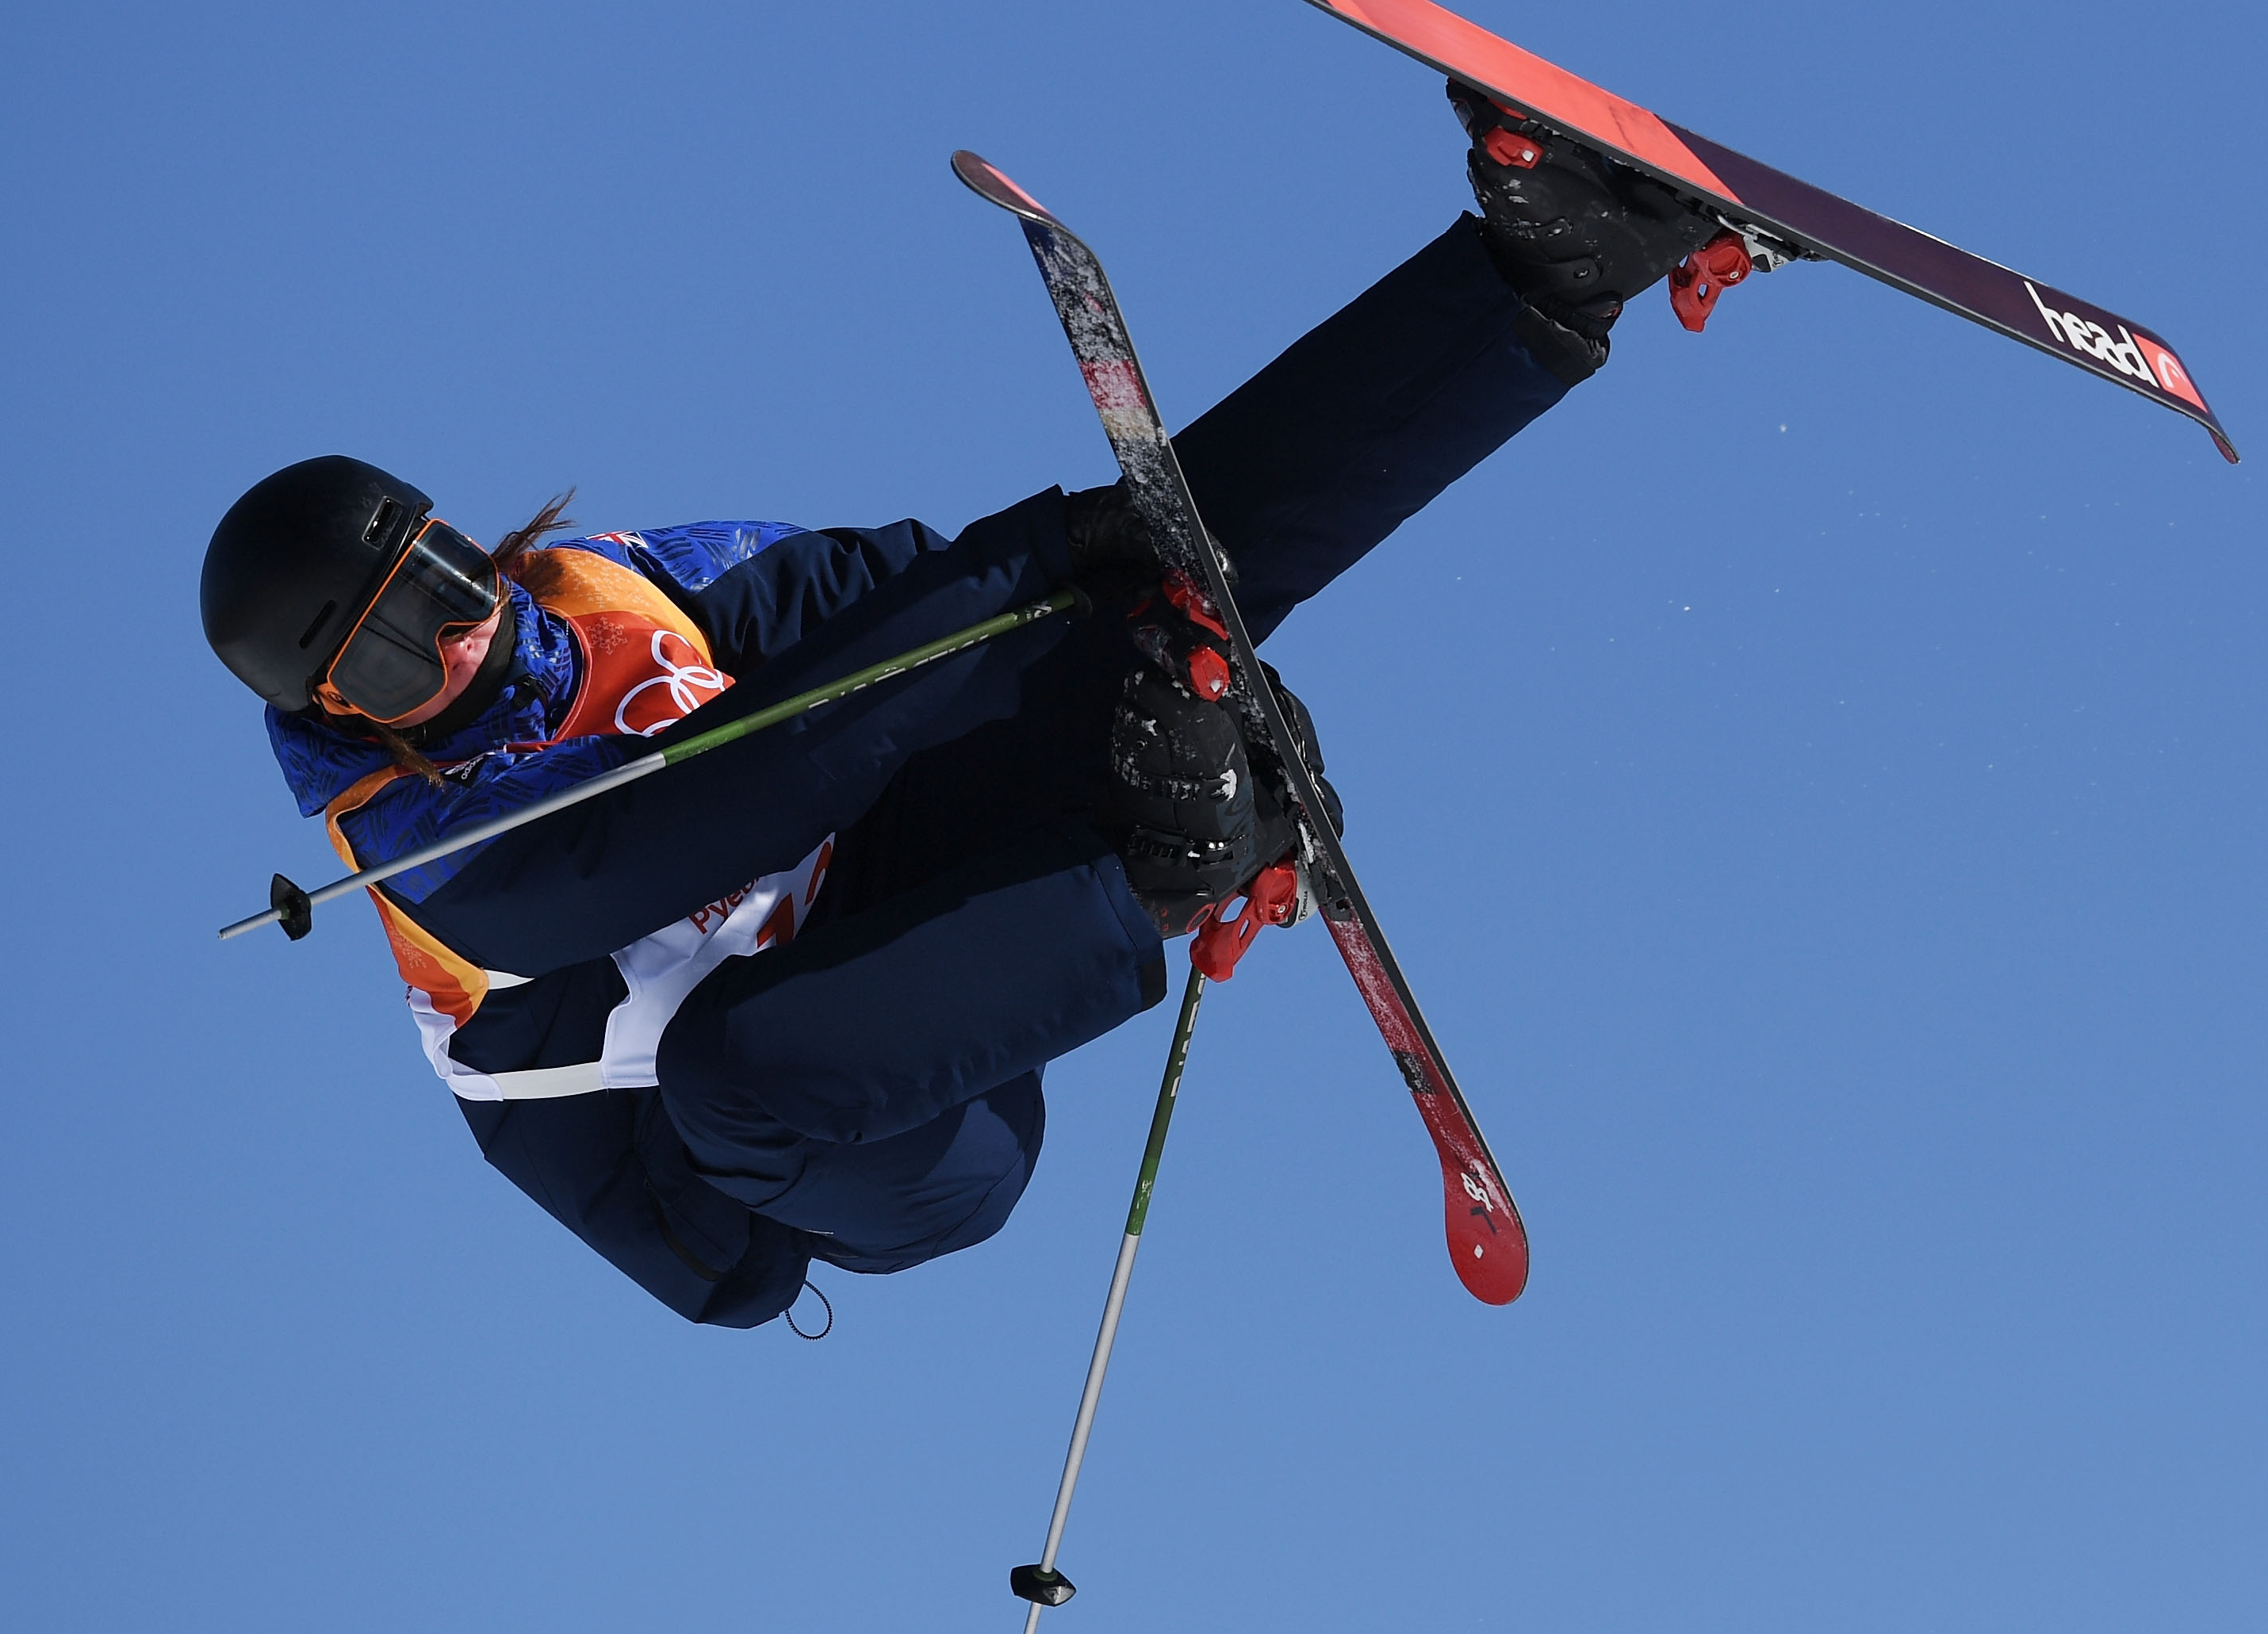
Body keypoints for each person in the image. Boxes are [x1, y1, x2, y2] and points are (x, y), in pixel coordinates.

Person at [199, 93, 1719, 1326]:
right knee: (730, 1068)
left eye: (442, 581)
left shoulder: (639, 592)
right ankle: (1157, 862)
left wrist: (1098, 599)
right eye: (392, 660)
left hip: (911, 884)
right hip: (865, 1135)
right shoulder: (431, 859)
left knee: (1121, 589)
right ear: (352, 715)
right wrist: (1029, 563)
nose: (453, 641)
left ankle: (1545, 272)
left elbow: (904, 609)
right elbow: (688, 823)